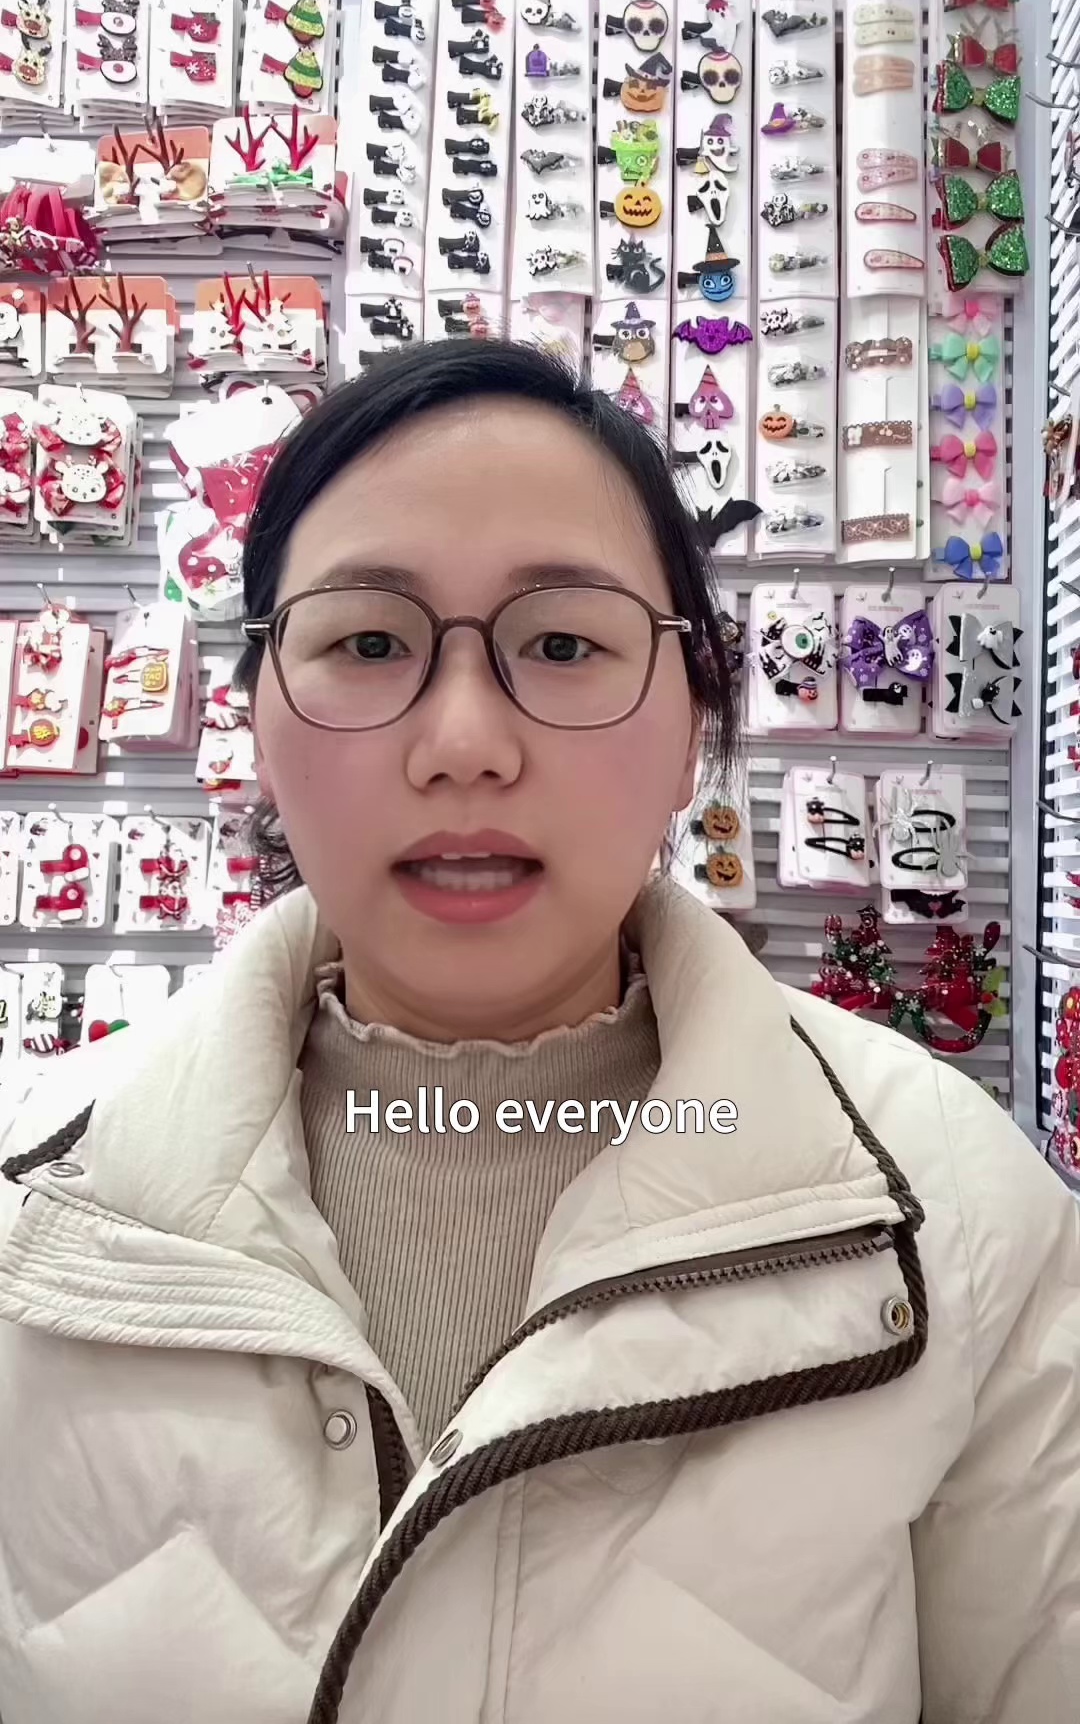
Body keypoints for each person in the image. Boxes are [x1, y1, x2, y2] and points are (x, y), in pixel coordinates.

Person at [0, 339, 1076, 1724]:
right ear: (257, 718)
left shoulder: (961, 1224)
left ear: (693, 727)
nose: (464, 742)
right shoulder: (36, 1210)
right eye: (367, 643)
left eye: (564, 644)